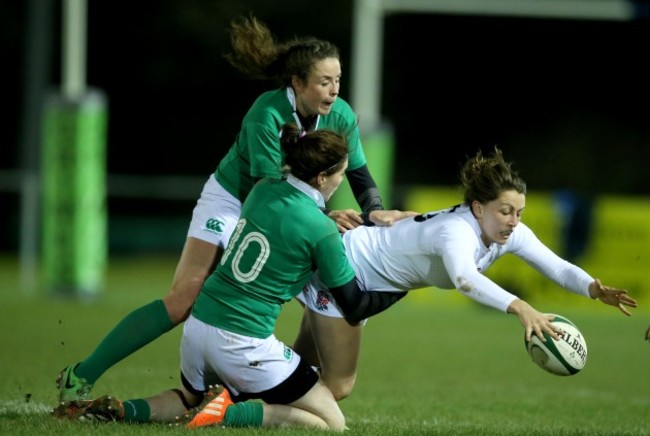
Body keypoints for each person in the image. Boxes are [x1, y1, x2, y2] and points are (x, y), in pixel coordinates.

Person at [55, 14, 413, 402]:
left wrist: (375, 209)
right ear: (297, 83)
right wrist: (323, 219)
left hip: (287, 207)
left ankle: (272, 389)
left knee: (319, 286)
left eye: (338, 80)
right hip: (237, 200)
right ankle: (82, 374)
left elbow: (358, 172)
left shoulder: (340, 114)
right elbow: (268, 190)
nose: (333, 90)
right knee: (183, 298)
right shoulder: (267, 113)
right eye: (324, 81)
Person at [52, 124, 406, 430]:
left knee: (189, 398)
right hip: (241, 342)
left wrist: (323, 218)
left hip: (200, 324)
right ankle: (230, 413)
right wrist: (401, 285)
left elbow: (291, 219)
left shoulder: (263, 189)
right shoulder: (320, 230)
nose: (342, 179)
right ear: (321, 177)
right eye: (341, 173)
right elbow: (354, 305)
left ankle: (121, 410)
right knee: (331, 421)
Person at [292, 146, 638, 396]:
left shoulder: (509, 232)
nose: (514, 221)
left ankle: (244, 396)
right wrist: (521, 307)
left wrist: (593, 288)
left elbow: (558, 267)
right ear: (477, 207)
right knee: (337, 386)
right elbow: (464, 278)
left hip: (364, 280)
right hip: (345, 269)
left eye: (519, 212)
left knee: (303, 365)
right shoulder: (456, 230)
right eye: (505, 211)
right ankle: (259, 412)